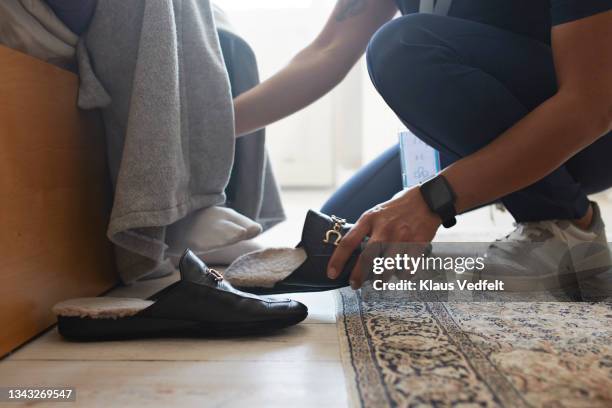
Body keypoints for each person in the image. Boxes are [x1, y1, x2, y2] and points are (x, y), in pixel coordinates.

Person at [234, 0, 612, 289]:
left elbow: (591, 105)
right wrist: (211, 129)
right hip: (483, 125)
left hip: (588, 137)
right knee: (347, 245)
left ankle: (568, 228)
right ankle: (551, 214)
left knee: (403, 46)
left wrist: (434, 198)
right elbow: (328, 49)